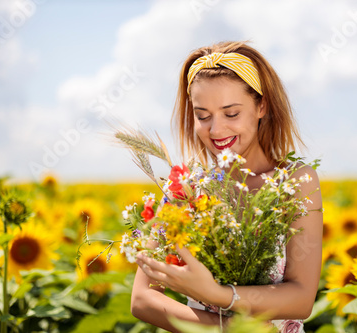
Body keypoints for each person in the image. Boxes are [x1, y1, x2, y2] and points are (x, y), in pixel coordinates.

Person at [131, 41, 323, 333]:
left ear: (262, 106)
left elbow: (301, 299)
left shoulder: (295, 181)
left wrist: (216, 296)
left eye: (231, 114)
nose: (216, 130)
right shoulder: (185, 189)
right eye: (202, 116)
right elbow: (143, 299)